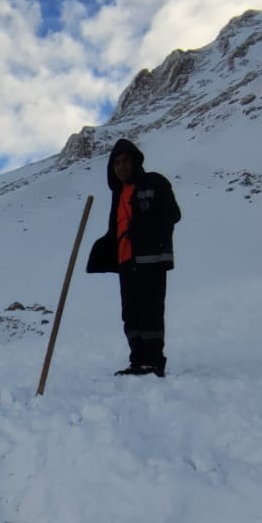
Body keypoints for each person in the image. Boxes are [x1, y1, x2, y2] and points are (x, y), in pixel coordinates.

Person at [85, 138, 181, 377]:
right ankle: (138, 361)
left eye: (125, 161)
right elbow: (116, 229)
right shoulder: (118, 196)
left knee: (150, 312)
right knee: (130, 314)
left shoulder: (154, 183)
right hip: (126, 263)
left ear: (135, 161)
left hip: (151, 260)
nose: (121, 167)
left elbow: (172, 214)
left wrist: (144, 226)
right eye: (116, 163)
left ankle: (153, 362)